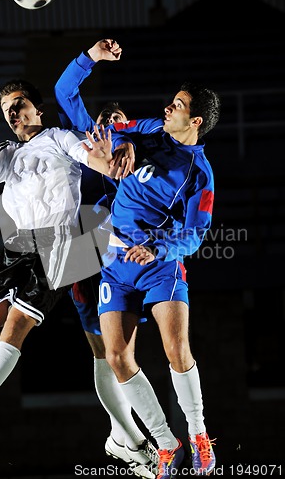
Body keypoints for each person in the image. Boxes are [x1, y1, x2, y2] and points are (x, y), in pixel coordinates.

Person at [0, 79, 116, 444]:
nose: (12, 111)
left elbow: (94, 160)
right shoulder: (7, 153)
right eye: (6, 107)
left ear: (37, 109)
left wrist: (104, 159)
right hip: (15, 247)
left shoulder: (59, 138)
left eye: (18, 102)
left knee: (14, 324)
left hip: (56, 244)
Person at [97, 82, 221, 478]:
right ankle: (166, 443)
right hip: (115, 263)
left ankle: (199, 435)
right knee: (117, 357)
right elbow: (110, 128)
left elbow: (196, 234)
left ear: (195, 120)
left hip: (159, 262)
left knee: (176, 349)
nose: (168, 108)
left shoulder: (199, 173)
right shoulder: (151, 132)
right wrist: (89, 60)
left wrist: (159, 248)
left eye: (178, 105)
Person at [55, 39, 158, 479]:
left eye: (118, 122)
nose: (109, 127)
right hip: (85, 243)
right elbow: (64, 92)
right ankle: (129, 438)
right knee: (103, 351)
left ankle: (123, 438)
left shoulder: (139, 153)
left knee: (122, 354)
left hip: (124, 253)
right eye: (104, 121)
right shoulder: (90, 137)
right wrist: (91, 58)